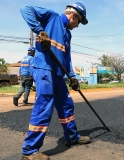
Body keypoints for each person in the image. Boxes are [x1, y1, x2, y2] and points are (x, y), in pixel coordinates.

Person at [19, 2, 90, 160]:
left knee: (66, 105)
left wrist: (72, 77)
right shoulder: (51, 17)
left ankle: (71, 137)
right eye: (79, 21)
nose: (78, 26)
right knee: (44, 107)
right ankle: (30, 150)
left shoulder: (67, 34)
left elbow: (67, 58)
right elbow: (25, 9)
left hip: (58, 74)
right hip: (44, 69)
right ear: (73, 16)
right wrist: (40, 31)